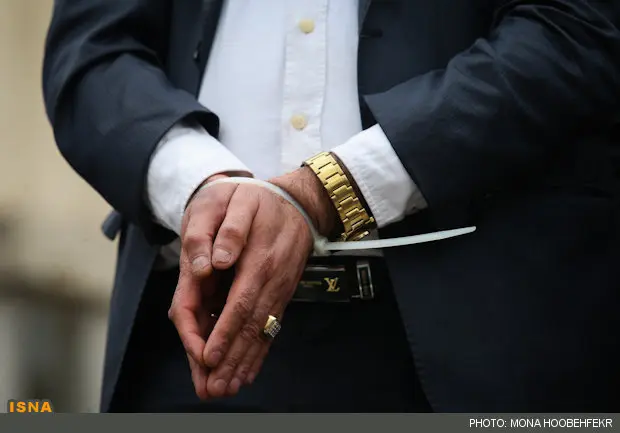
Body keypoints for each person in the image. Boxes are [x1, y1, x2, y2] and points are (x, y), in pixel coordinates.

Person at [42, 0, 620, 412]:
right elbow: (93, 51)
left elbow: (572, 28)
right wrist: (202, 183)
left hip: (468, 341)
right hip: (192, 337)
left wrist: (331, 190)